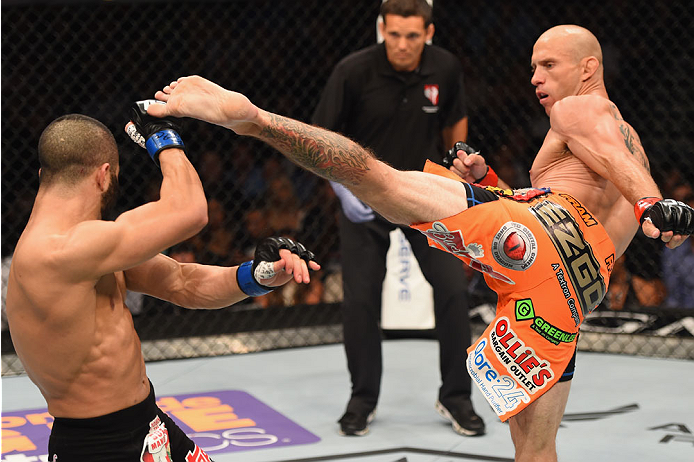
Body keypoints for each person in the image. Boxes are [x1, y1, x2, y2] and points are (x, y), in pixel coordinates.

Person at [142, 24, 693, 462]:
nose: (535, 78)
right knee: (536, 449)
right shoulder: (626, 135)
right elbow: (597, 197)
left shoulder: (581, 108)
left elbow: (609, 167)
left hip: (542, 242)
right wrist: (494, 187)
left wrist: (651, 202)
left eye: (548, 64)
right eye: (532, 67)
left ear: (588, 68)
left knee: (377, 179)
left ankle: (254, 119)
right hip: (569, 290)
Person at [5, 105, 320, 461]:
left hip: (147, 423)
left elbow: (181, 282)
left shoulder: (88, 248)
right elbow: (190, 211)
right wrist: (164, 139)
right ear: (104, 176)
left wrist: (257, 275)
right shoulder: (58, 251)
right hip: (98, 448)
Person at [310, 0, 484, 437]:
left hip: (423, 198)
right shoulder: (353, 71)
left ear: (427, 33)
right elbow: (318, 139)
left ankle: (456, 397)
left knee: (451, 291)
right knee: (361, 300)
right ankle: (362, 399)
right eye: (394, 35)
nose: (402, 45)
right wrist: (342, 188)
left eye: (411, 36)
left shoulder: (444, 67)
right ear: (381, 30)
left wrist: (455, 167)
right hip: (364, 198)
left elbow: (455, 120)